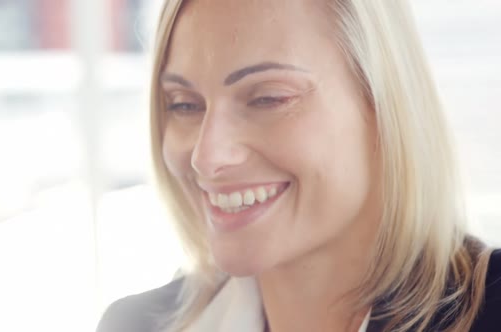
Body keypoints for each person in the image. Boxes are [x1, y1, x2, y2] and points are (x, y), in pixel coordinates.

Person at [98, 0, 501, 331]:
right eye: (184, 104)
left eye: (268, 98)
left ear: (382, 104)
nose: (207, 157)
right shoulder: (133, 324)